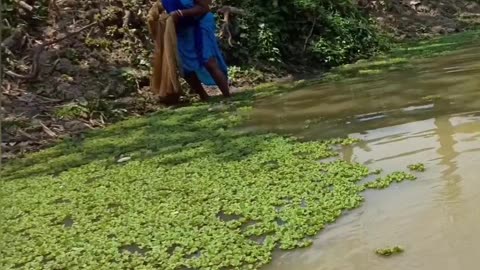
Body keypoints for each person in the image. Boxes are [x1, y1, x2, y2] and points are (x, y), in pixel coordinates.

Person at [162, 0, 230, 101]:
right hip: (182, 29)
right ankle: (204, 97)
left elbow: (204, 8)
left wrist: (180, 13)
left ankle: (227, 96)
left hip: (200, 22)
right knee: (185, 67)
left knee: (208, 61)